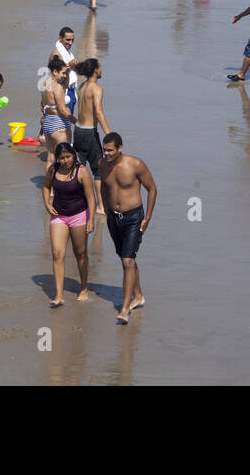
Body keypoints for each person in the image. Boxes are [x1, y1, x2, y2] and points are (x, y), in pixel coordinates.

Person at [99, 133, 157, 325]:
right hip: (114, 219)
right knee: (128, 260)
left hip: (134, 218)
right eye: (104, 149)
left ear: (120, 148)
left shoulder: (135, 164)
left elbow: (152, 189)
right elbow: (104, 188)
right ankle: (138, 295)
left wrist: (147, 217)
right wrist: (106, 209)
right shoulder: (103, 164)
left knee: (127, 261)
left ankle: (125, 308)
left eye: (110, 150)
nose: (106, 153)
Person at [43, 141, 96, 307]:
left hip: (79, 216)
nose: (65, 160)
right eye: (62, 158)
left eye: (68, 156)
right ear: (57, 159)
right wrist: (47, 204)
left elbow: (91, 197)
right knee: (57, 254)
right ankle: (59, 295)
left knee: (80, 253)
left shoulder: (82, 172)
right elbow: (45, 187)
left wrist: (91, 219)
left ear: (73, 155)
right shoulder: (53, 170)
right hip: (59, 216)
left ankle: (84, 287)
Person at [72, 58, 110, 213]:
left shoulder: (82, 86)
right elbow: (99, 113)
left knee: (78, 168)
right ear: (95, 70)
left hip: (78, 131)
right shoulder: (97, 88)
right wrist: (109, 133)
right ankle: (100, 206)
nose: (101, 69)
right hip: (89, 132)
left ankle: (76, 202)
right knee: (98, 171)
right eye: (100, 67)